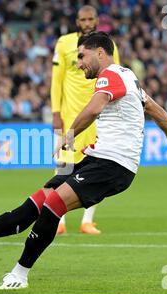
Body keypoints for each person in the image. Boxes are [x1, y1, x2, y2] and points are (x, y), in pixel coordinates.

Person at [0, 32, 167, 290]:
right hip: (96, 159)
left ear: (100, 53)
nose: (79, 63)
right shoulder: (128, 78)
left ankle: (19, 274)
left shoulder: (111, 75)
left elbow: (94, 109)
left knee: (53, 204)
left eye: (82, 56)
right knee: (35, 204)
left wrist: (69, 134)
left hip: (113, 165)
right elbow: (157, 111)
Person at [51, 5, 121, 235]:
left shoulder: (107, 46)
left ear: (97, 20)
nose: (87, 22)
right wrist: (55, 112)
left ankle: (87, 220)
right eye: (83, 19)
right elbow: (56, 79)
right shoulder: (64, 43)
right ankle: (58, 219)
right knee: (65, 164)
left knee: (97, 162)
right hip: (71, 112)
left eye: (91, 18)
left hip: (98, 112)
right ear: (77, 21)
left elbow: (115, 76)